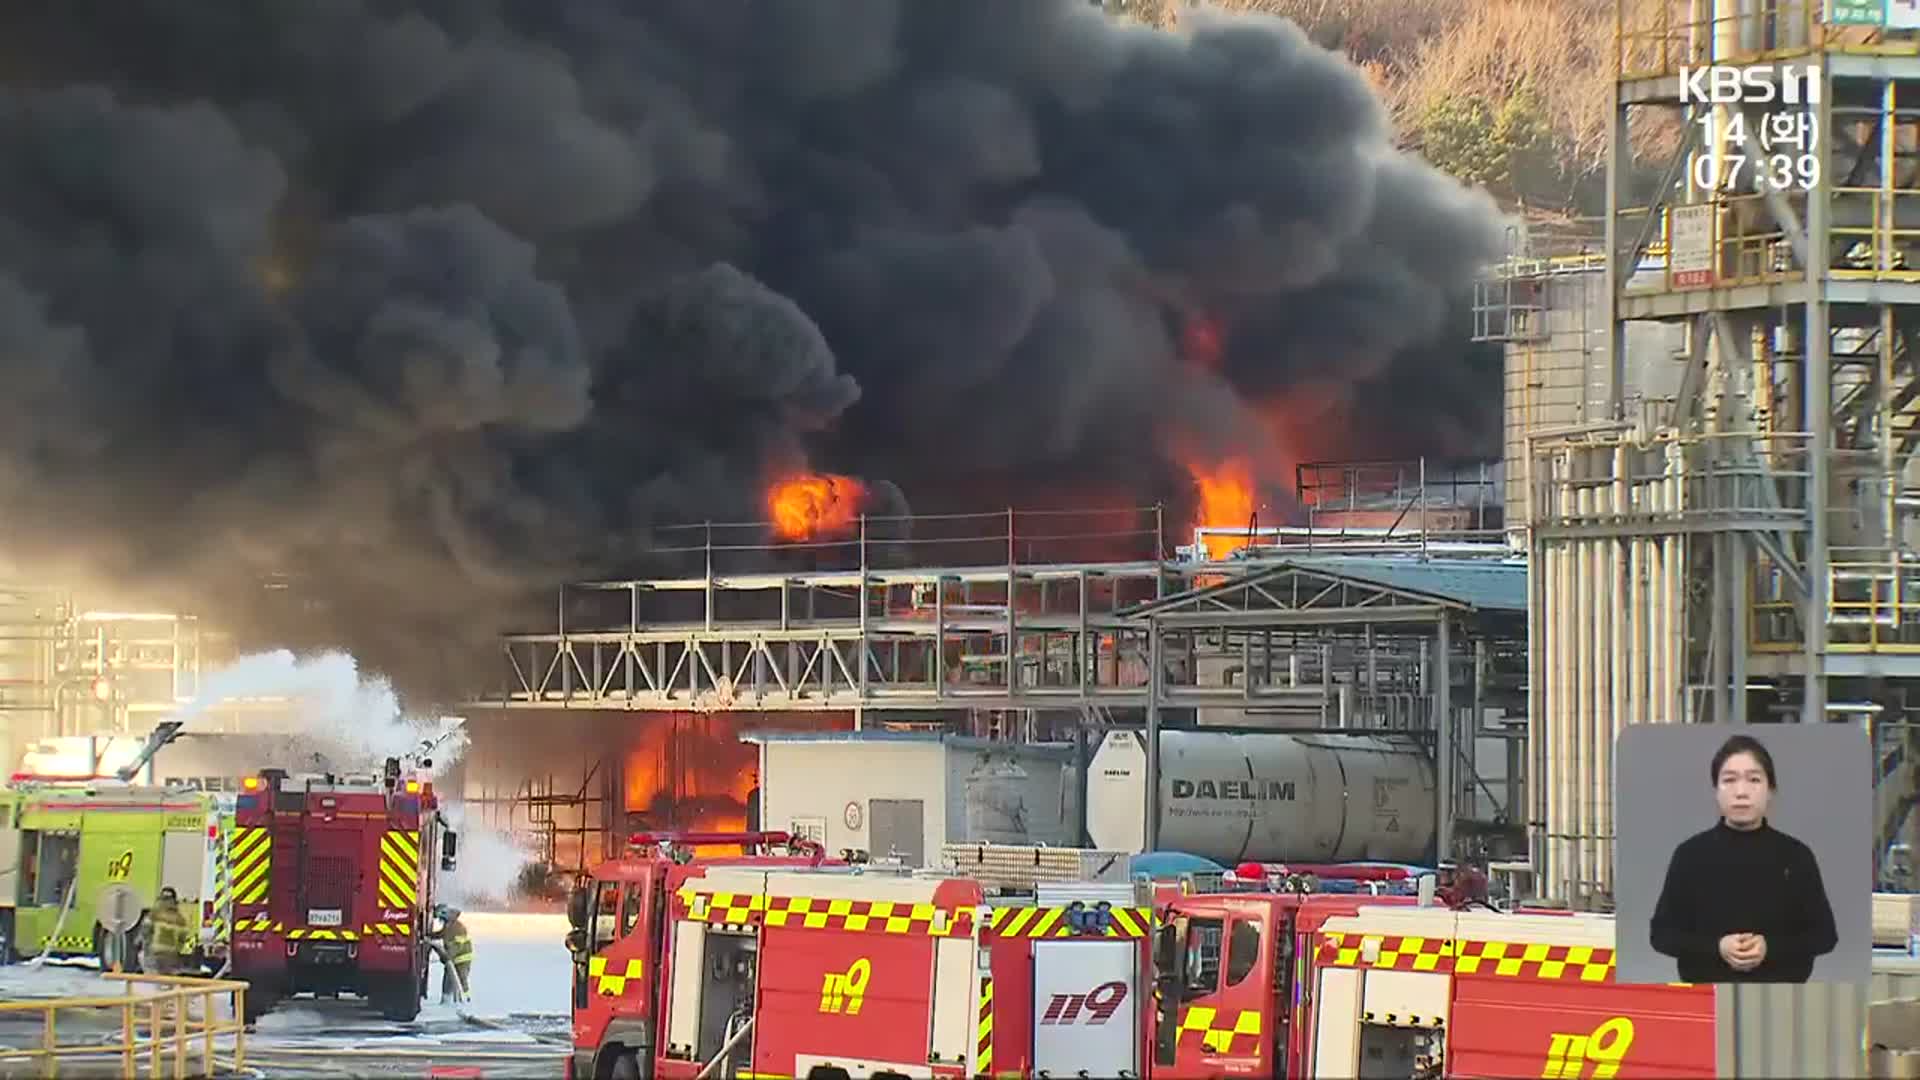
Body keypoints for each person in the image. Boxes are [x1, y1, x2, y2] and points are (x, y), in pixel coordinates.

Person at [1648, 733, 1839, 983]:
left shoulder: (1796, 856)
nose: (1741, 792)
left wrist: (1770, 947)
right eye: (1729, 780)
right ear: (1715, 790)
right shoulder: (1690, 855)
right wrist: (1717, 947)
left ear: (1771, 790)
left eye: (1754, 780)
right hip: (1707, 1000)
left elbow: (1824, 936)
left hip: (1781, 1000)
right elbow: (1661, 935)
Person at [144, 887, 191, 975]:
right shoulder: (180, 918)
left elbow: (145, 932)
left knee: (154, 981)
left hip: (155, 954)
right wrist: (177, 950)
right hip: (171, 956)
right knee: (168, 981)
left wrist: (147, 948)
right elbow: (183, 939)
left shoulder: (154, 914)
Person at [437, 905, 473, 1002]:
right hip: (452, 958)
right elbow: (441, 934)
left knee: (461, 980)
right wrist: (430, 936)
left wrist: (447, 956)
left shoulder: (458, 928)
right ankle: (446, 1000)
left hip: (462, 959)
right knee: (448, 980)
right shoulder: (448, 925)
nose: (441, 921)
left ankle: (466, 999)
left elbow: (457, 945)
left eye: (442, 919)